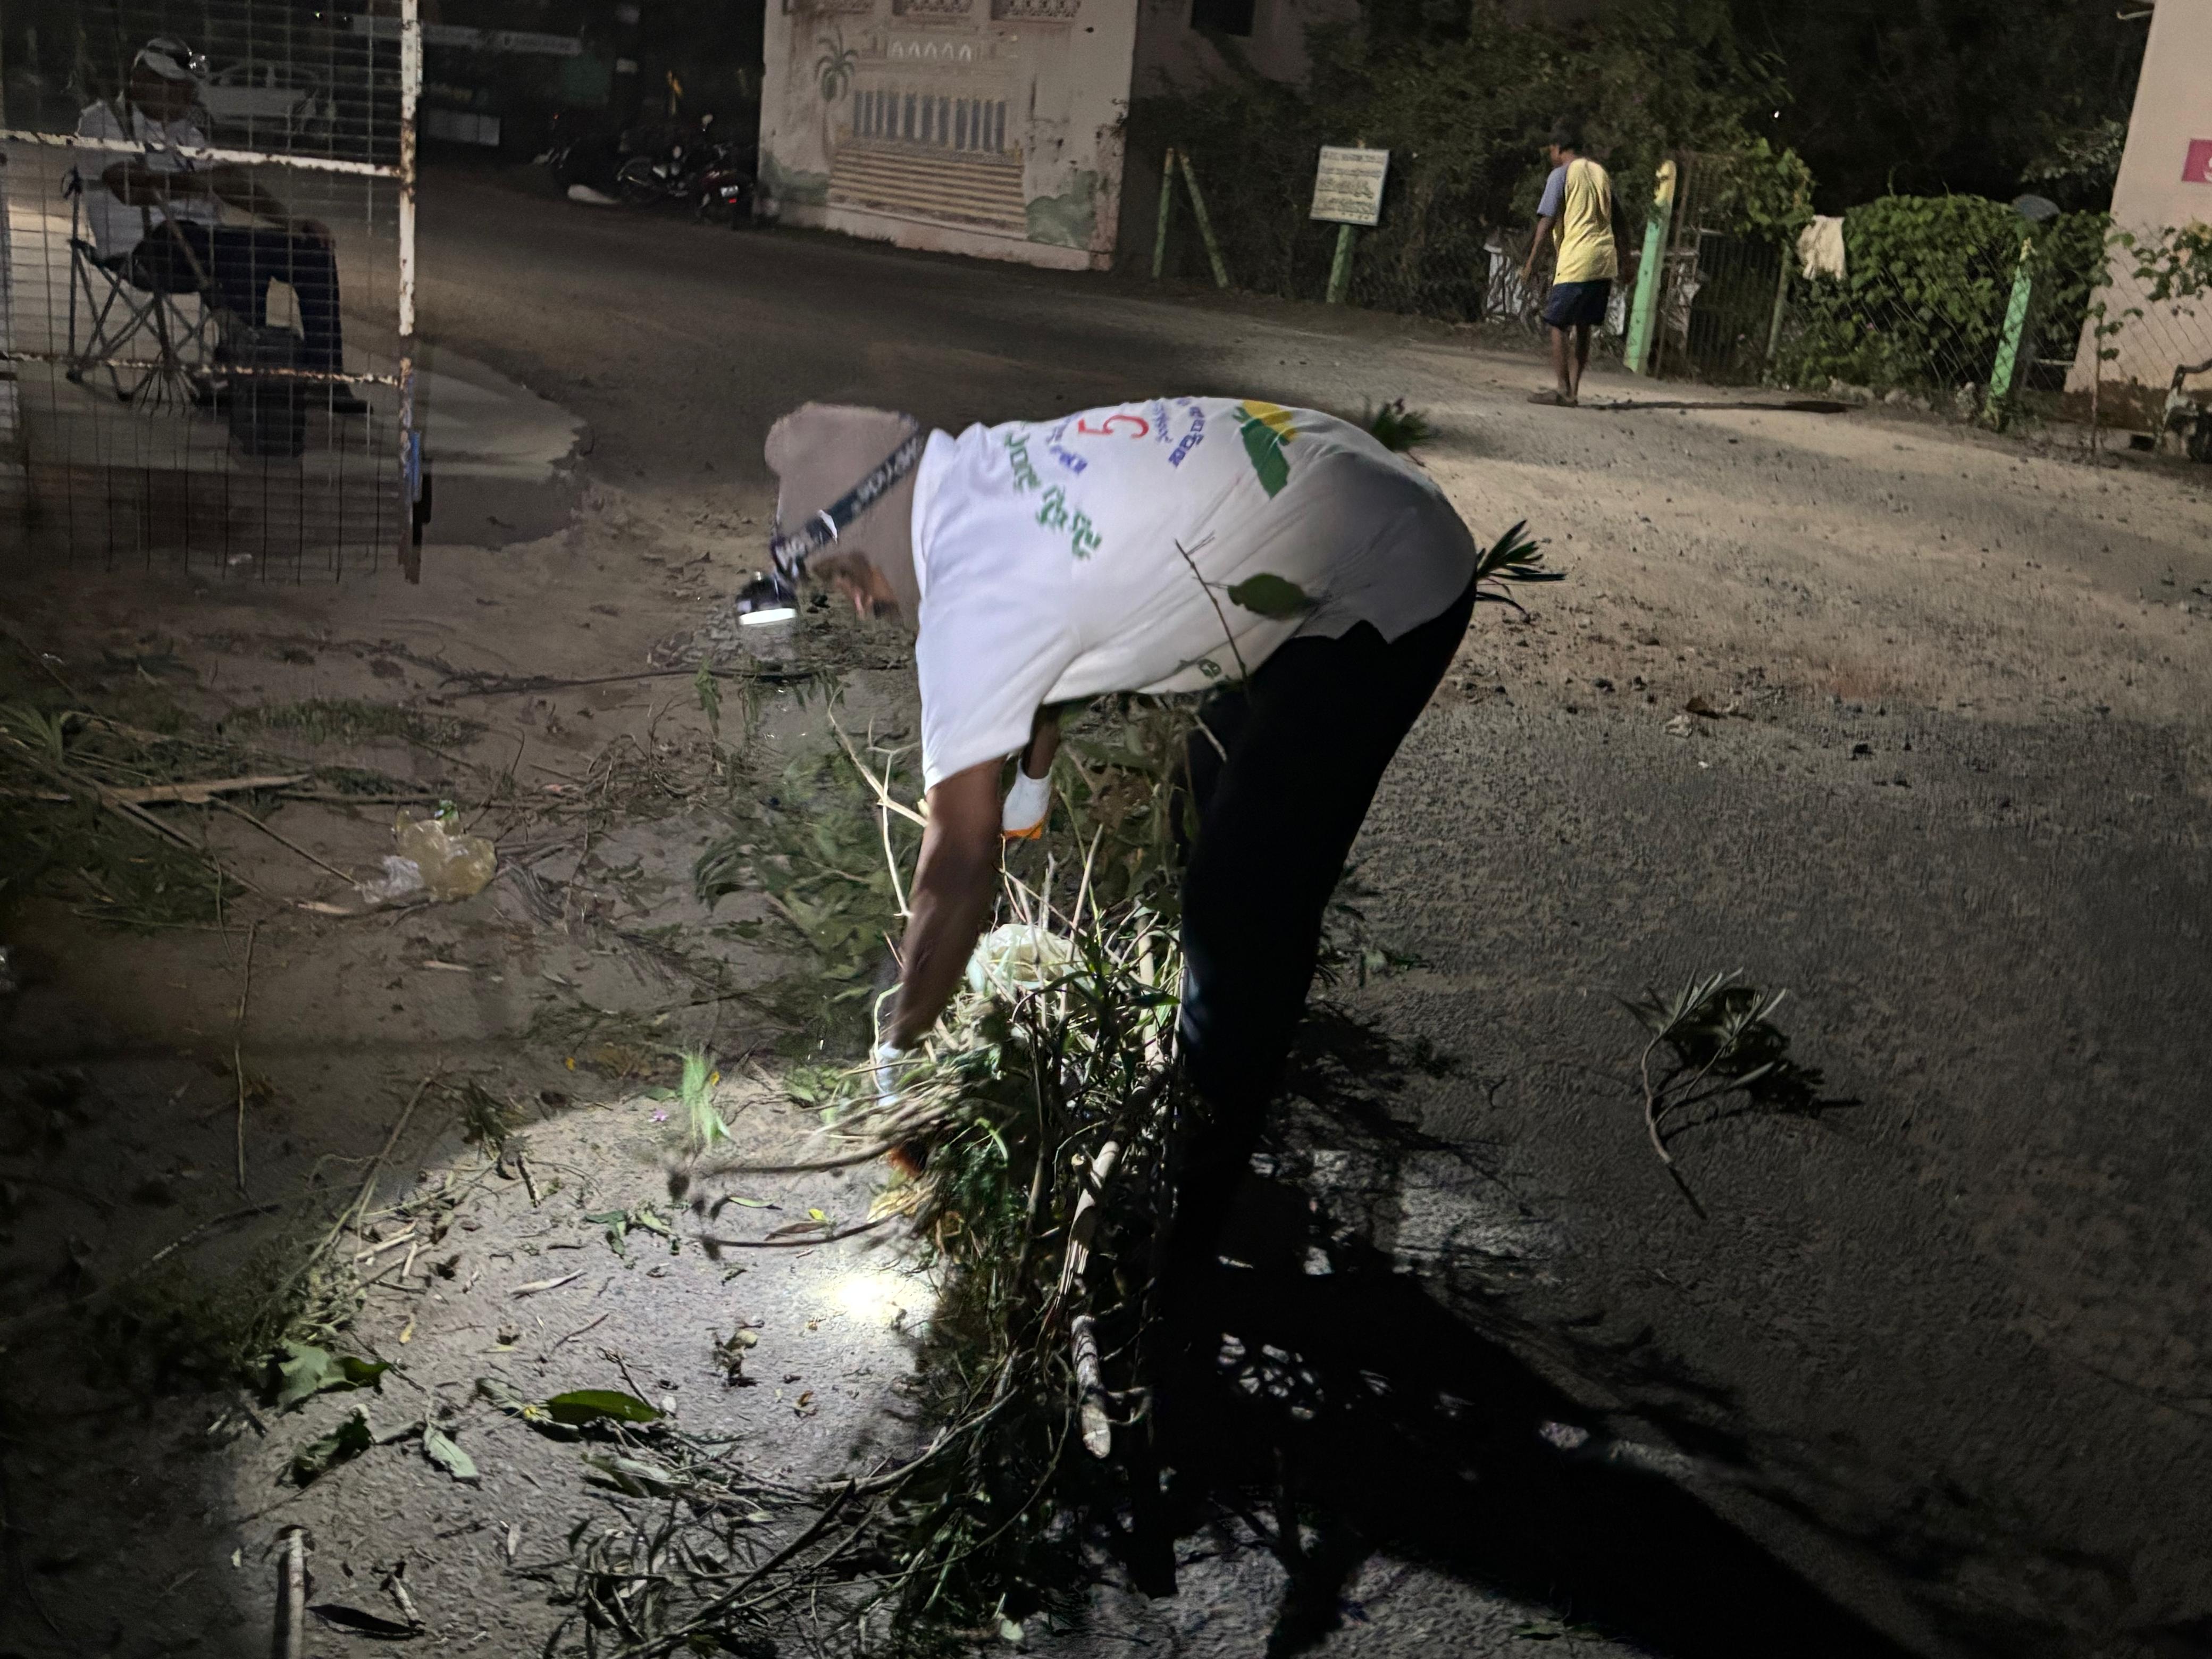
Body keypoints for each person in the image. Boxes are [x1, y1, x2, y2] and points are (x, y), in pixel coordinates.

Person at [761, 397, 1481, 1307]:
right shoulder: (985, 470)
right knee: (1210, 787)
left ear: (873, 519)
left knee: (1238, 908)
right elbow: (1065, 618)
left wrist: (900, 1041)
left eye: (845, 573)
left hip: (1387, 580)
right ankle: (1211, 1063)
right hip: (1346, 490)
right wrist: (1032, 778)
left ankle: (1189, 1230)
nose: (861, 602)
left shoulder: (970, 606)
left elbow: (958, 862)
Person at [78, 37, 365, 413]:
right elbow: (129, 188)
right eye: (176, 86)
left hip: (205, 239)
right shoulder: (103, 121)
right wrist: (200, 184)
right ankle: (239, 374)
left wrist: (289, 221)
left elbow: (229, 181)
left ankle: (325, 378)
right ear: (142, 80)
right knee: (238, 254)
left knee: (312, 250)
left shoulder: (184, 130)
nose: (187, 96)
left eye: (188, 87)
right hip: (145, 246)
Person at [1521, 119, 1627, 407]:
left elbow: (1546, 222)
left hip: (1577, 259)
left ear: (1558, 148)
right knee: (1584, 326)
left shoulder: (1561, 175)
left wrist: (1531, 262)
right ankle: (1574, 391)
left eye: (1551, 149)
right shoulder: (1600, 173)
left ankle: (1562, 390)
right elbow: (1620, 221)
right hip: (1603, 261)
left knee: (1558, 324)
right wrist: (1627, 261)